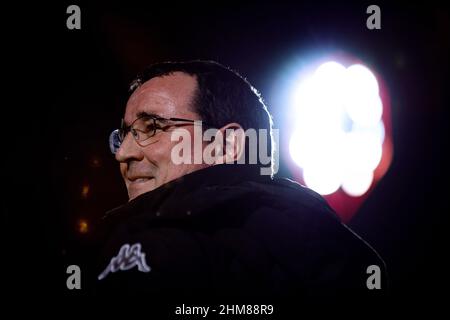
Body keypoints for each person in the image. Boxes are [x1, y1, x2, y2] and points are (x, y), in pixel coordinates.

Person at [93, 60, 387, 299]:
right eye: (125, 135)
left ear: (226, 145)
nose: (123, 154)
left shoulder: (149, 247)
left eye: (153, 126)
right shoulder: (340, 259)